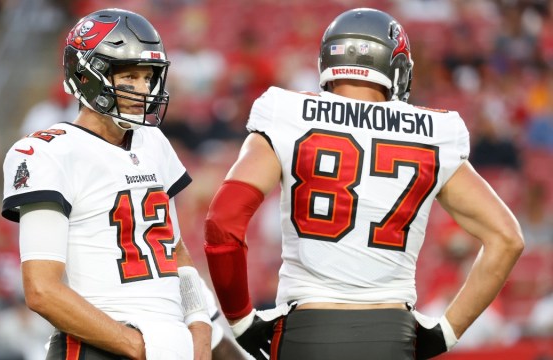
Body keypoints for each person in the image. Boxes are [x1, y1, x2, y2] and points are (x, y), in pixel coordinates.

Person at [203, 7, 524, 360]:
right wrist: (446, 332)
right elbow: (506, 239)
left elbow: (223, 221)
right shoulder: (433, 133)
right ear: (396, 68)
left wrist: (241, 320)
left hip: (308, 330)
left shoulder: (287, 114)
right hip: (391, 333)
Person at [1, 9, 212, 360]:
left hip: (167, 342)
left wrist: (200, 327)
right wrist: (139, 348)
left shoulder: (153, 142)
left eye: (148, 78)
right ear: (87, 75)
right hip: (97, 346)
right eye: (129, 76)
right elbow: (41, 290)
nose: (143, 89)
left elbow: (176, 251)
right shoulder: (48, 151)